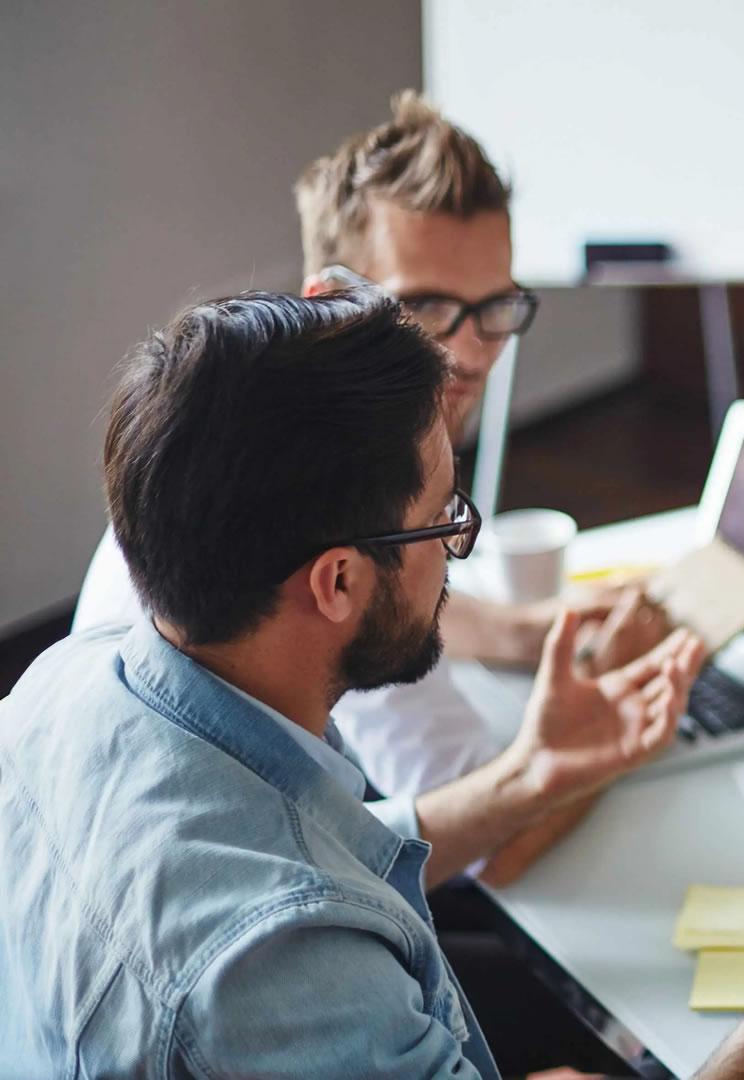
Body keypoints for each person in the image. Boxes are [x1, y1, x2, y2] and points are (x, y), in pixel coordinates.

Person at [0, 291, 744, 1078]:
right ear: (338, 581)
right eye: (443, 524)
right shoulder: (284, 969)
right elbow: (288, 910)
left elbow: (293, 850)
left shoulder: (66, 683)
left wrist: (535, 774)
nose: (454, 557)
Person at [70, 91, 650, 885]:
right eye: (428, 307)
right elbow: (493, 849)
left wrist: (524, 632)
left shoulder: (233, 434)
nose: (472, 353)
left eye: (493, 308)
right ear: (331, 301)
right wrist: (623, 730)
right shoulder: (337, 517)